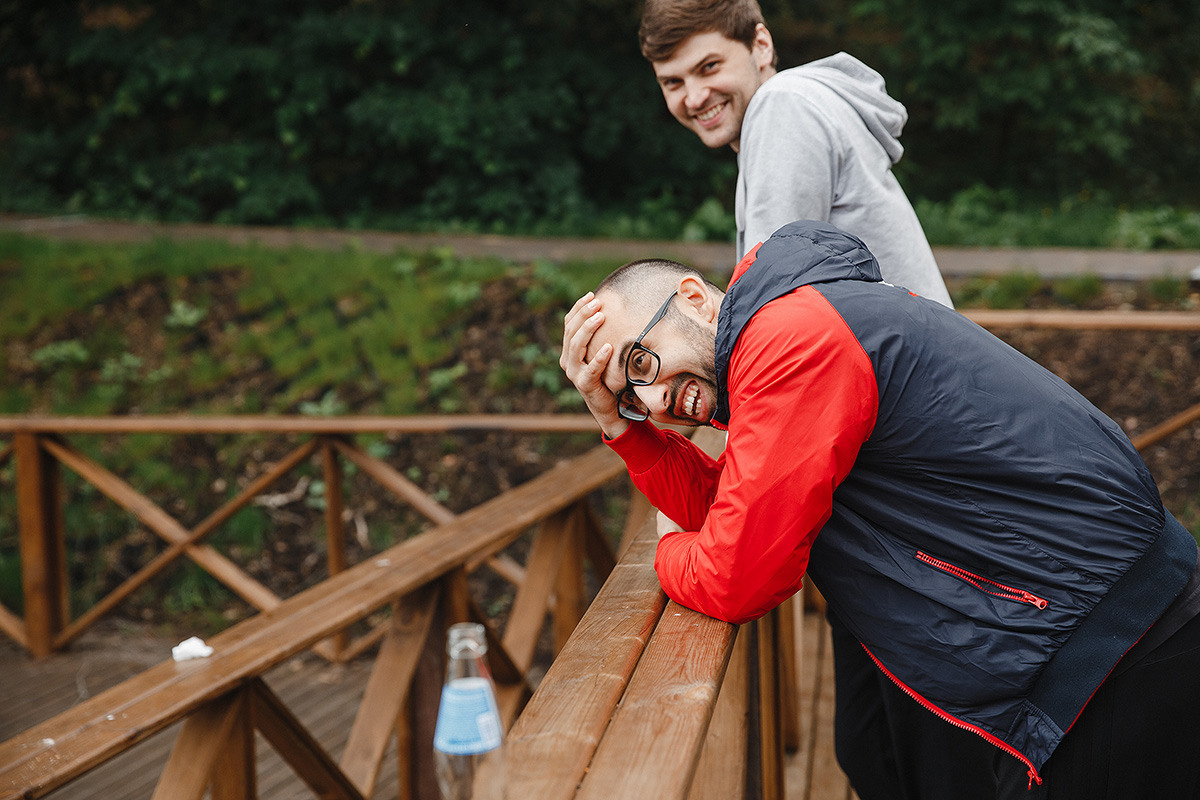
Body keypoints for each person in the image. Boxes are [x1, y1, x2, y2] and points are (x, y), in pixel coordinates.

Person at [558, 219, 1200, 799]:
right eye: (633, 396)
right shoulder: (786, 340)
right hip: (1096, 640)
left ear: (695, 300)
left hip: (1115, 648)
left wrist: (664, 556)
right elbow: (720, 510)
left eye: (640, 363)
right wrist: (619, 427)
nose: (655, 398)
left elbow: (736, 574)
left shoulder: (788, 343)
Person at [639, 0, 953, 308]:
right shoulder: (796, 105)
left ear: (761, 44)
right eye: (673, 82)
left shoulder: (783, 106)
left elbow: (767, 304)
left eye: (709, 67)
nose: (693, 98)